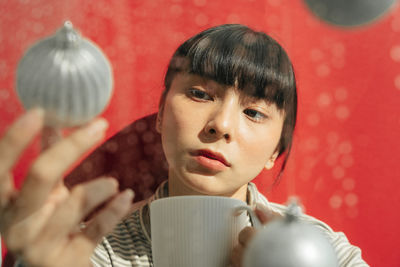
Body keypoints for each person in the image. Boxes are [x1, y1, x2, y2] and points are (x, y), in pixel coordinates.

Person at [0, 24, 368, 267]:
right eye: (199, 94)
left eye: (254, 112)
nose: (221, 125)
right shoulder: (95, 251)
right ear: (160, 114)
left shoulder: (322, 253)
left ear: (276, 151)